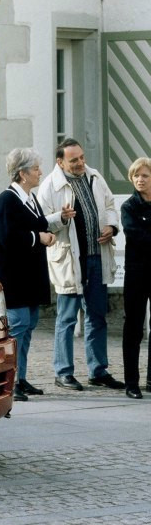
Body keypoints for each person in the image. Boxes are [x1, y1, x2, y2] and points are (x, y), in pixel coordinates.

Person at [37, 138, 124, 391]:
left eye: (82, 157)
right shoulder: (49, 187)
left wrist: (111, 226)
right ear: (60, 161)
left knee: (97, 316)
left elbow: (109, 205)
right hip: (69, 258)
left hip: (96, 255)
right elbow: (41, 222)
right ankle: (63, 372)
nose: (80, 163)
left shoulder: (94, 176)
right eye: (74, 160)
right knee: (66, 317)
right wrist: (60, 218)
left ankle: (98, 370)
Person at [0, 149, 55, 401]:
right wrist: (40, 237)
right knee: (17, 328)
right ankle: (9, 382)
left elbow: (36, 224)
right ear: (22, 173)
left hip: (29, 277)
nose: (40, 172)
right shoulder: (7, 199)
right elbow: (7, 236)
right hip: (12, 277)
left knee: (29, 326)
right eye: (36, 168)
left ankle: (21, 378)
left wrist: (50, 229)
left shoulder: (30, 197)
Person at [121, 156, 151, 399]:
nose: (140, 180)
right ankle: (131, 382)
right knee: (133, 327)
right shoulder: (129, 206)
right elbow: (136, 235)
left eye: (145, 176)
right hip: (136, 274)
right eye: (136, 176)